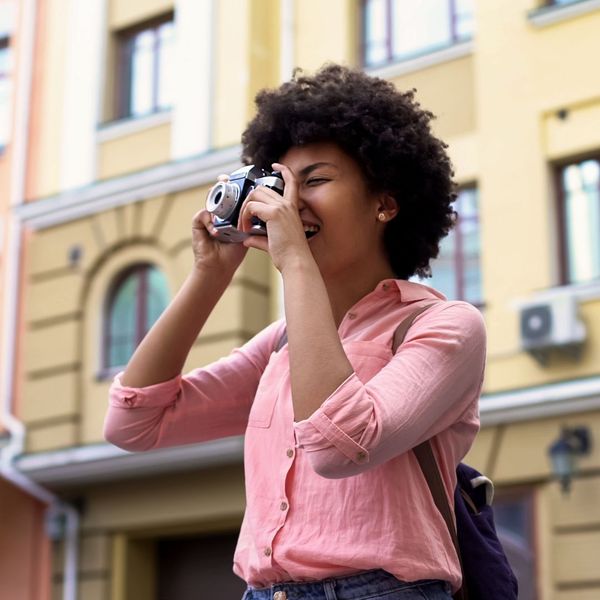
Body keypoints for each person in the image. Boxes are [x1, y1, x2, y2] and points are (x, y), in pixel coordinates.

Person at [104, 64, 486, 600]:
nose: (290, 201)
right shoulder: (282, 342)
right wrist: (209, 276)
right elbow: (134, 422)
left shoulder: (443, 326)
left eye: (316, 180)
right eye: (279, 184)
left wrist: (295, 263)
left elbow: (338, 446)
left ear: (385, 203)